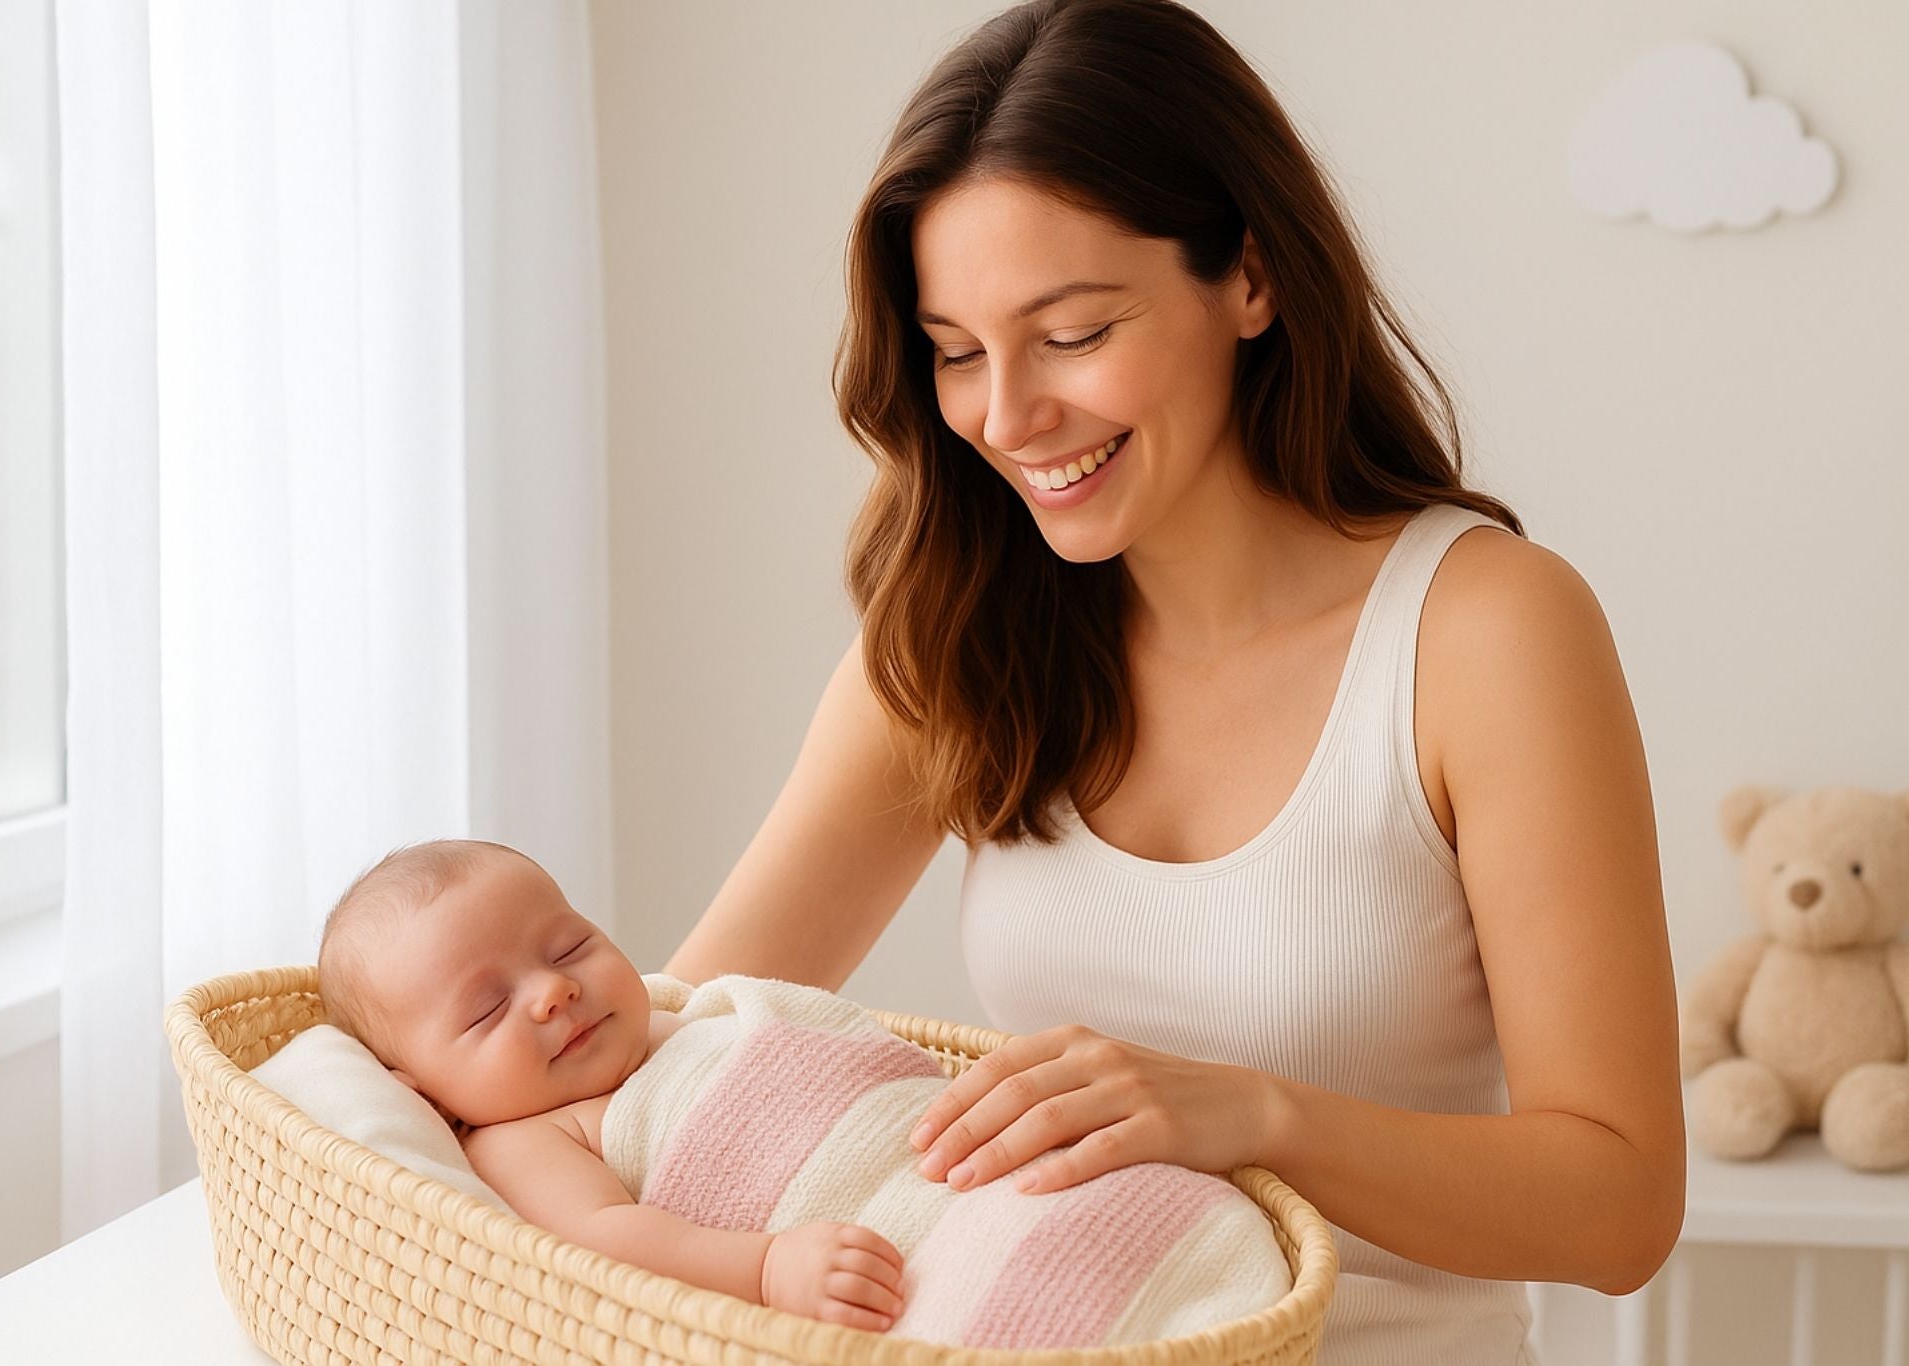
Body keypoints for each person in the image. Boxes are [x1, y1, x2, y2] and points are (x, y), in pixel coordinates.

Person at [660, 1, 1686, 1362]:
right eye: (957, 351)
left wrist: (1257, 1114)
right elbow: (671, 1056)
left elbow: (1618, 1202)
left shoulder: (1482, 630)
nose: (1008, 417)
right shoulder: (952, 638)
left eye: (1073, 333)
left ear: (1250, 278)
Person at [315, 838, 1292, 1347]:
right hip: (864, 1248)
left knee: (1068, 1202)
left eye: (568, 945)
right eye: (486, 1011)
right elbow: (608, 1249)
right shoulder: (523, 1139)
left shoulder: (694, 1018)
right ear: (426, 1096)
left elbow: (862, 1074)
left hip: (945, 1168)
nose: (554, 991)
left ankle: (1166, 1258)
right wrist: (767, 1268)